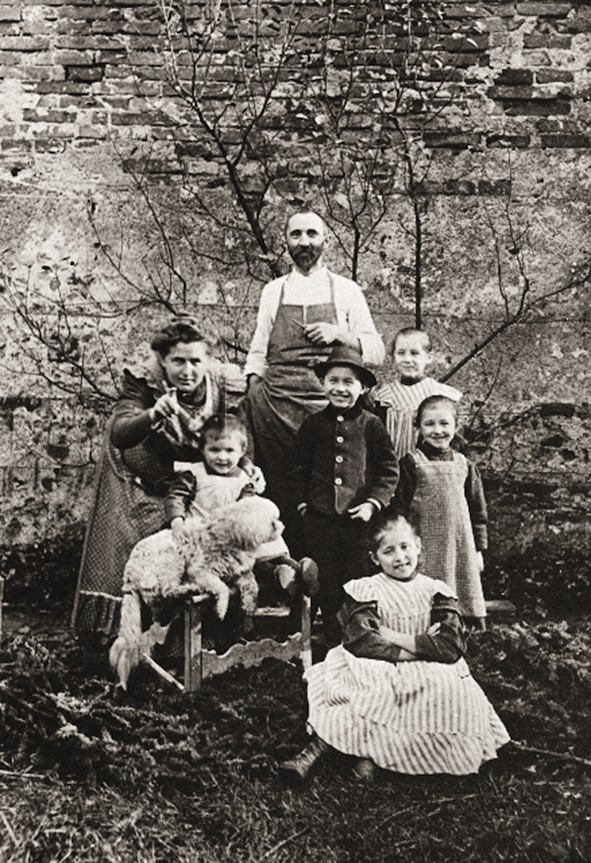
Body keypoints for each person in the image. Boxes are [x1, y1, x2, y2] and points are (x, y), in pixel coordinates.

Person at [280, 514, 509, 783]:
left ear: (418, 546)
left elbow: (449, 646)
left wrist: (390, 635)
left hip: (426, 666)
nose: (399, 557)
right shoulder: (367, 589)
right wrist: (420, 645)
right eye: (388, 551)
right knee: (373, 690)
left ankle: (385, 759)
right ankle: (316, 753)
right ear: (375, 558)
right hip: (378, 661)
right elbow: (362, 640)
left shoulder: (436, 591)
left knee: (449, 687)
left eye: (404, 547)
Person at [71, 317, 249, 640]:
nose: (188, 371)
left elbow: (235, 433)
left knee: (190, 557)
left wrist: (246, 464)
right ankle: (119, 638)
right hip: (138, 476)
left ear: (208, 360)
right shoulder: (145, 381)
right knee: (136, 559)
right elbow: (121, 432)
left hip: (184, 483)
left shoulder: (222, 385)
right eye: (178, 361)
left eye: (196, 361)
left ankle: (181, 644)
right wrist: (153, 414)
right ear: (163, 360)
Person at [245, 211, 385, 546]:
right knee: (280, 489)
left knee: (329, 490)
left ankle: (329, 569)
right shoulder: (273, 291)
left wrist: (338, 334)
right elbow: (258, 350)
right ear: (286, 241)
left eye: (312, 233)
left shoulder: (347, 290)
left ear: (325, 240)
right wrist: (253, 393)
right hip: (276, 410)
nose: (304, 242)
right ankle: (285, 564)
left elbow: (377, 351)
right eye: (296, 234)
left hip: (328, 404)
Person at [290, 346, 398, 647]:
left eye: (348, 382)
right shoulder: (313, 425)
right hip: (319, 521)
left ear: (362, 387)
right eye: (333, 380)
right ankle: (327, 643)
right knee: (323, 582)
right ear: (323, 383)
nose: (340, 388)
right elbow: (296, 470)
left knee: (357, 582)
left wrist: (372, 504)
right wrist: (304, 506)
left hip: (356, 522)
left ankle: (357, 640)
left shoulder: (371, 424)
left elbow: (388, 470)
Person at [165, 413, 319, 597]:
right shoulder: (194, 474)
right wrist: (177, 519)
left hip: (237, 534)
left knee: (264, 542)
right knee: (249, 563)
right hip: (209, 535)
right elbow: (176, 497)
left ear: (242, 450)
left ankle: (298, 570)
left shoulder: (244, 478)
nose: (222, 457)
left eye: (229, 451)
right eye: (214, 450)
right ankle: (280, 575)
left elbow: (248, 506)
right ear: (203, 449)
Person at [389, 394, 488, 626]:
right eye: (429, 424)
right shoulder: (411, 463)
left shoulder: (464, 465)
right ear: (418, 427)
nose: (437, 430)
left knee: (461, 585)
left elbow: (478, 511)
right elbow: (398, 510)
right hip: (424, 544)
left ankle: (460, 631)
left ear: (456, 425)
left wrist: (479, 549)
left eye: (444, 423)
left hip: (459, 545)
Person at [372, 327, 461, 460]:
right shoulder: (385, 396)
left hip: (430, 466)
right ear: (393, 358)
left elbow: (454, 440)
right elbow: (377, 439)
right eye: (401, 353)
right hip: (392, 465)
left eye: (414, 353)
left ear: (428, 357)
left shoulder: (439, 393)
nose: (407, 359)